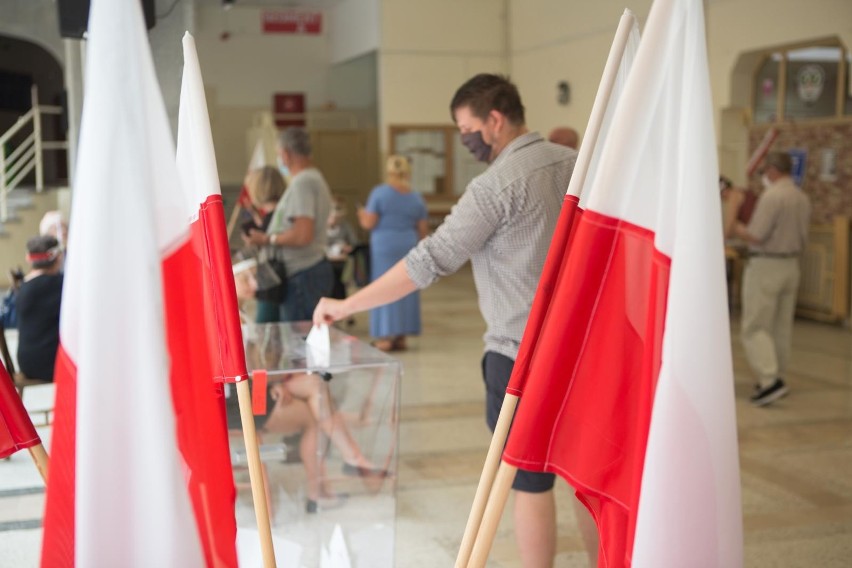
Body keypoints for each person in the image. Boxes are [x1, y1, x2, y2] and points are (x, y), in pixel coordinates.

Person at [314, 73, 580, 567]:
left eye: (465, 128)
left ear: (494, 121)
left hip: (519, 356)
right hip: (583, 352)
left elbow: (430, 260)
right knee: (587, 481)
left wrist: (347, 305)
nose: (464, 140)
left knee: (529, 480)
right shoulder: (578, 166)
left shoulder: (495, 186)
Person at [730, 151, 811, 406]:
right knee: (780, 327)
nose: (764, 176)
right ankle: (777, 375)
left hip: (767, 266)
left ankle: (768, 380)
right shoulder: (801, 197)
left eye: (765, 172)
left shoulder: (772, 196)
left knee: (755, 326)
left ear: (773, 171)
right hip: (791, 266)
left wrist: (735, 225)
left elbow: (756, 235)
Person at [244, 128, 334, 322]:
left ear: (285, 154)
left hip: (303, 273)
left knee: (299, 343)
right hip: (306, 271)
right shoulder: (311, 179)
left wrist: (267, 239)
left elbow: (303, 235)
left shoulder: (303, 183)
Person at [358, 155, 428, 351]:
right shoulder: (415, 197)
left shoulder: (379, 194)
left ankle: (385, 337)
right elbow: (422, 230)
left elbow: (369, 223)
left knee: (384, 286)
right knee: (406, 286)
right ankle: (401, 336)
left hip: (384, 247)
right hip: (408, 245)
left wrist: (361, 215)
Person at [15, 235, 64, 382]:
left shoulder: (24, 285)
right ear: (58, 257)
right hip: (46, 364)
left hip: (26, 361)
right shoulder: (58, 284)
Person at [242, 166, 287, 322]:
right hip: (280, 280)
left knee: (264, 326)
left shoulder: (274, 218)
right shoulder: (282, 213)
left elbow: (268, 238)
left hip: (272, 281)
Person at [326, 196, 359, 302]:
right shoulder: (320, 227)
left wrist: (346, 248)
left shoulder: (345, 226)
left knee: (341, 282)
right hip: (326, 261)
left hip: (342, 262)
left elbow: (354, 243)